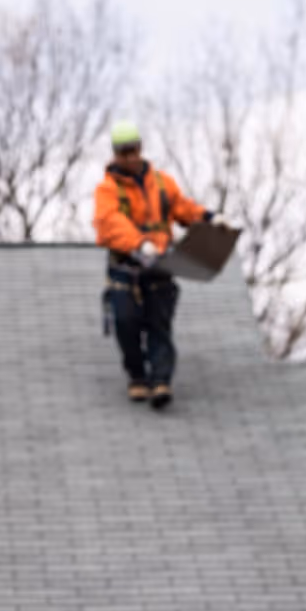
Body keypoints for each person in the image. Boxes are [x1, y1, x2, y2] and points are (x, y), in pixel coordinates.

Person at [93, 120, 225, 409]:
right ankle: (138, 376)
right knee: (126, 323)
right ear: (115, 154)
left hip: (160, 268)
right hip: (126, 269)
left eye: (133, 151)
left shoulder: (162, 184)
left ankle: (161, 380)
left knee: (158, 324)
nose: (129, 157)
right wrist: (138, 243)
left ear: (140, 149)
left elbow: (182, 208)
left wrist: (209, 218)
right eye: (123, 152)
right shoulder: (108, 191)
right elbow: (109, 223)